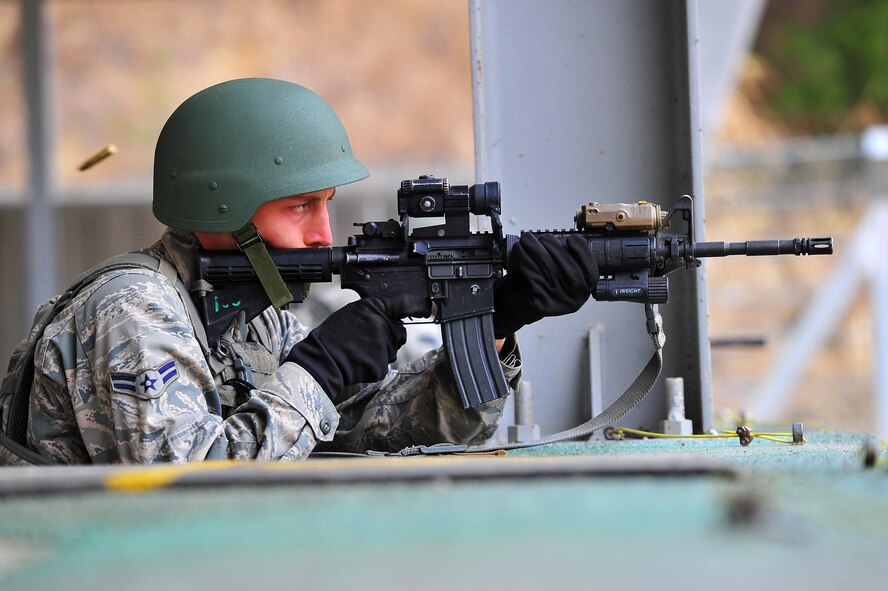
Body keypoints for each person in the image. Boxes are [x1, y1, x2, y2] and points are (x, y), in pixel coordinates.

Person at [0, 78, 597, 464]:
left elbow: (372, 430)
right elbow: (188, 495)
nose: (322, 234)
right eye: (299, 206)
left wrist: (498, 322)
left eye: (326, 205)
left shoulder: (249, 316)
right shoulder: (133, 310)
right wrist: (322, 369)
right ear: (223, 208)